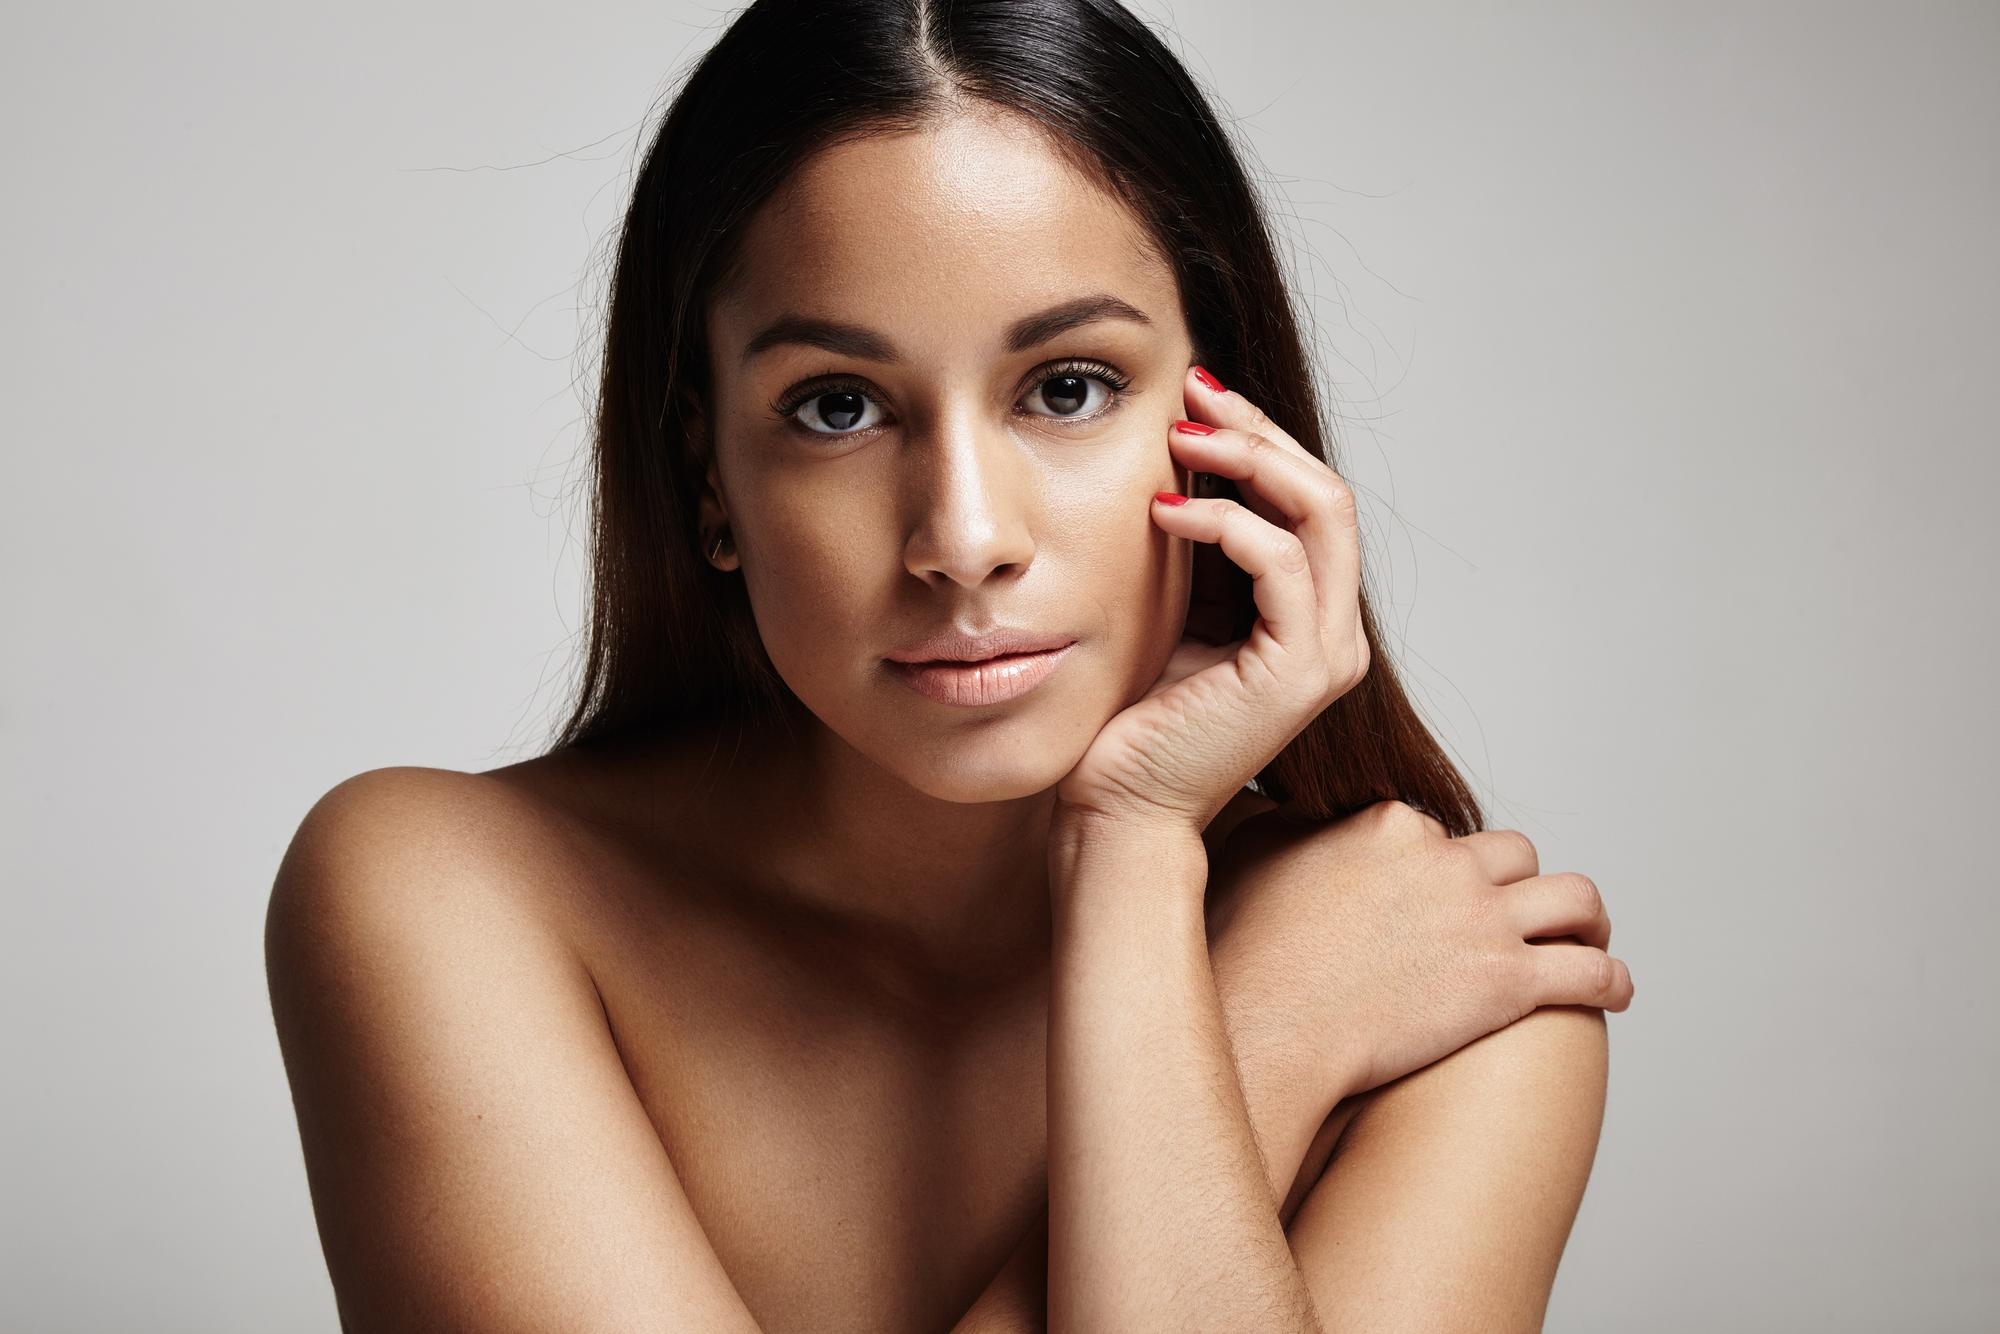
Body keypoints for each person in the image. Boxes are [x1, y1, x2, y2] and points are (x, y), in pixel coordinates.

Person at [263, 1, 1634, 1330]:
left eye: (1068, 386)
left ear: (1223, 423)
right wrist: (1257, 1032)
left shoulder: (1463, 989)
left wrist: (1137, 867)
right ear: (709, 479)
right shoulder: (442, 892)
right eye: (837, 407)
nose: (963, 539)